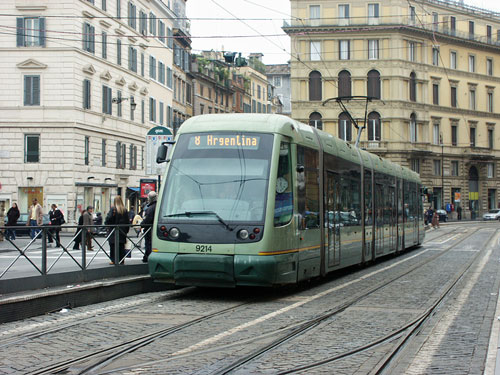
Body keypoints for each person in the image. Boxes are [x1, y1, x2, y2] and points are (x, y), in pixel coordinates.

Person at [105, 196, 129, 265]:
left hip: (114, 230)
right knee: (121, 246)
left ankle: (114, 260)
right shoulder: (124, 210)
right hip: (122, 231)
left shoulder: (113, 209)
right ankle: (121, 260)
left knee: (113, 245)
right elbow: (127, 221)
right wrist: (126, 230)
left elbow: (108, 219)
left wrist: (107, 225)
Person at [141, 191, 157, 263]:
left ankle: (148, 257)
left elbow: (147, 219)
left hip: (150, 229)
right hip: (155, 228)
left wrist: (141, 224)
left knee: (148, 243)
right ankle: (147, 256)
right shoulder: (158, 206)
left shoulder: (150, 208)